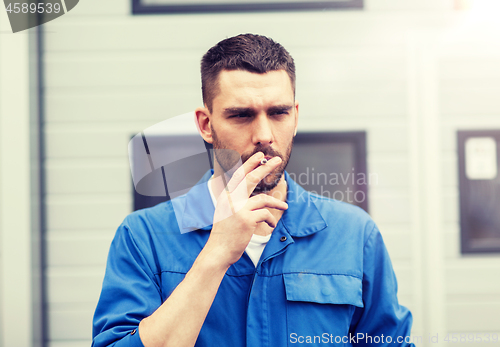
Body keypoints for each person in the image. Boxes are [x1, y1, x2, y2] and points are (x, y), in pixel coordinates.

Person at [92, 33, 414, 347]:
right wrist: (216, 253)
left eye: (278, 113)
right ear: (206, 124)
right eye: (241, 115)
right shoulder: (143, 238)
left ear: (296, 116)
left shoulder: (354, 234)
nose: (263, 134)